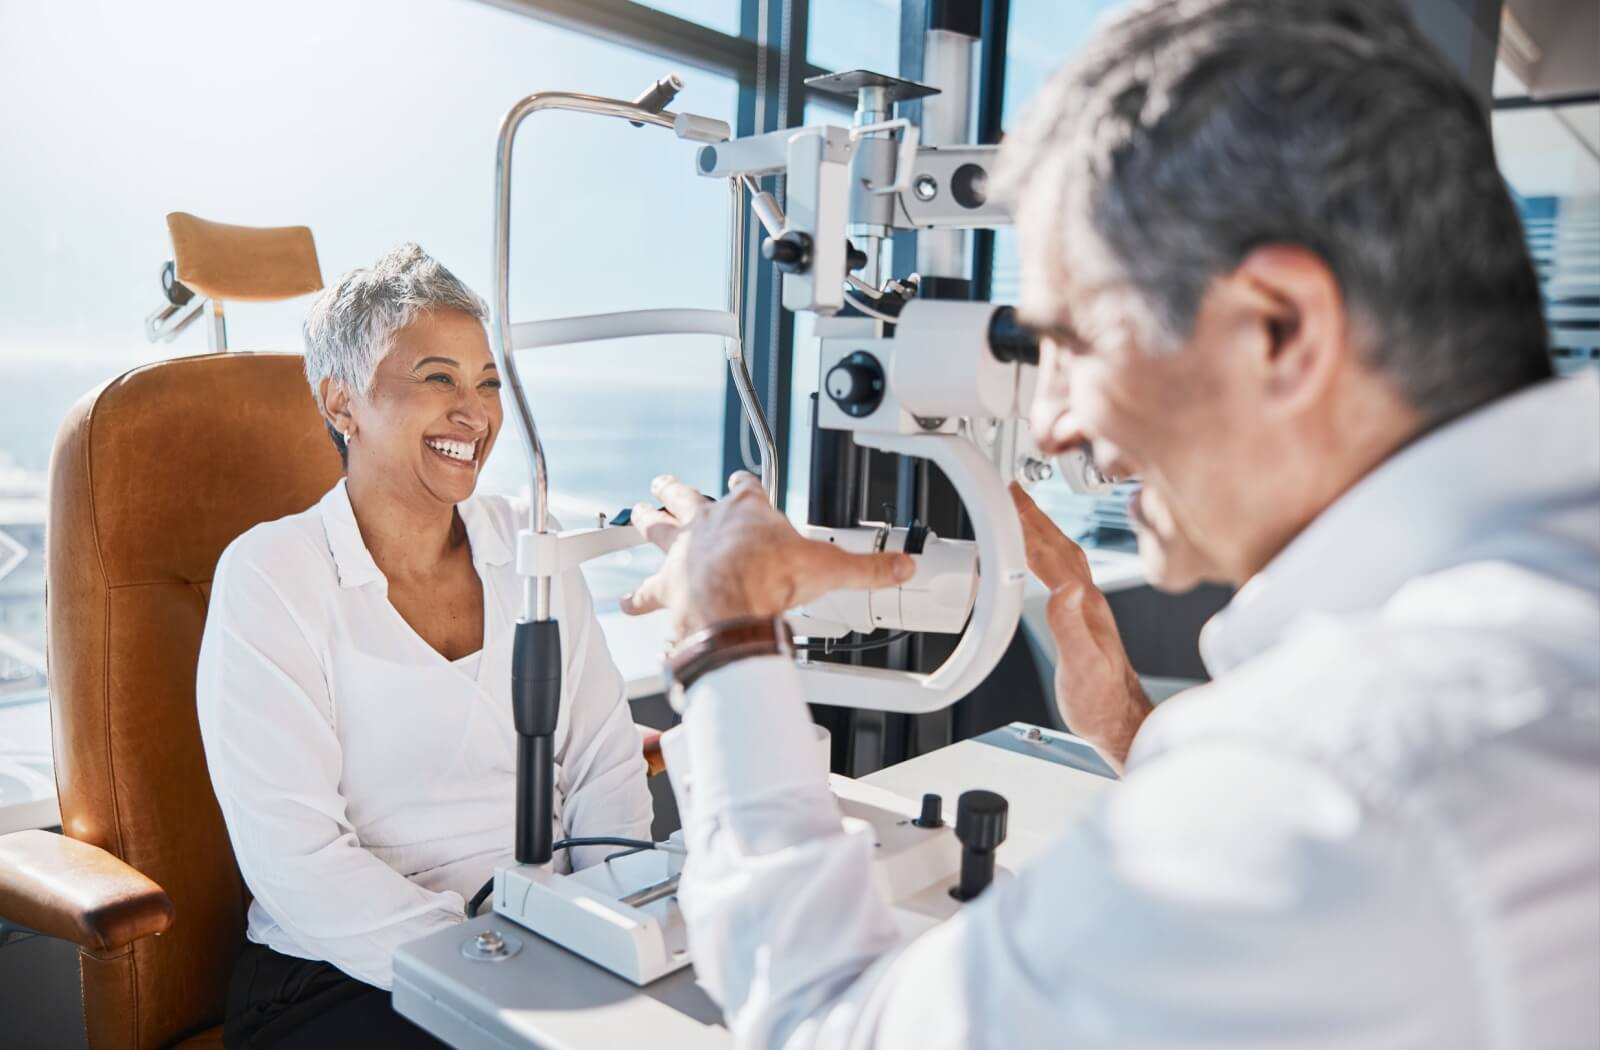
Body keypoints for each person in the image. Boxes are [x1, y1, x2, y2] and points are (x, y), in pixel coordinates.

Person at [620, 1, 1600, 1046]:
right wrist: (1135, 733)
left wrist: (723, 630)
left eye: (1069, 341)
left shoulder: (1338, 776)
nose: (1049, 419)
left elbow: (822, 1024)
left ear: (1278, 328)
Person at [196, 244, 653, 1048]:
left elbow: (603, 768)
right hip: (344, 977)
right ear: (342, 403)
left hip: (549, 944)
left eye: (486, 382)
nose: (474, 413)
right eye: (439, 378)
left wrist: (608, 928)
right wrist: (493, 954)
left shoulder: (530, 550)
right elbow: (298, 863)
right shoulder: (273, 576)